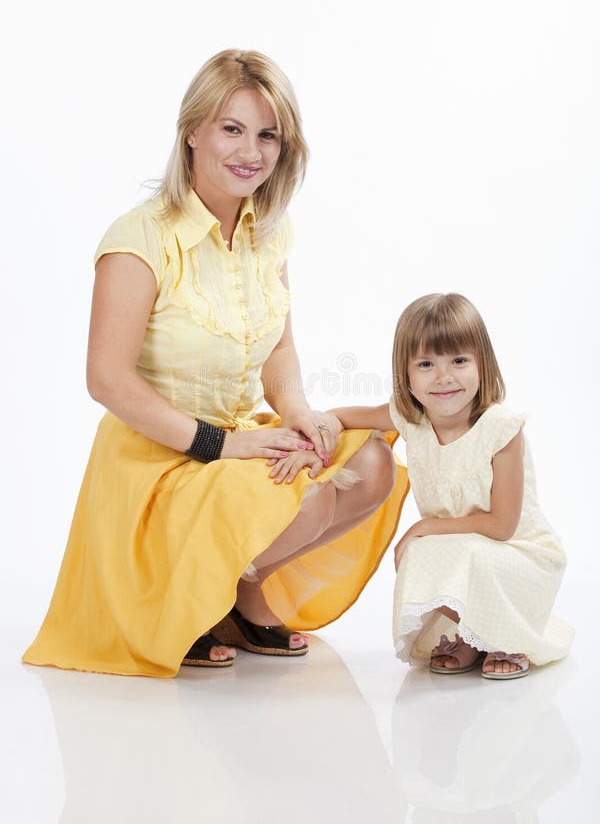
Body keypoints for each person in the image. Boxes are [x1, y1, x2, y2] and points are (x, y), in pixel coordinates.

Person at [22, 50, 409, 677]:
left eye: (268, 134)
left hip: (238, 440)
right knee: (299, 500)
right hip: (157, 457)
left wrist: (300, 412)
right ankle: (189, 603)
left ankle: (239, 594)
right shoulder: (138, 238)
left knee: (370, 465)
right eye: (231, 128)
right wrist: (220, 444)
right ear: (193, 132)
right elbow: (106, 379)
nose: (250, 151)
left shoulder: (270, 231)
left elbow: (277, 344)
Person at [326, 293, 573, 679]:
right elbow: (340, 416)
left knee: (451, 549)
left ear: (482, 363)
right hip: (466, 552)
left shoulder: (500, 430)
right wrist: (315, 437)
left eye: (459, 361)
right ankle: (475, 637)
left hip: (519, 558)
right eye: (426, 364)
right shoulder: (414, 420)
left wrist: (424, 526)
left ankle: (504, 637)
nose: (444, 377)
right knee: (420, 555)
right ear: (405, 374)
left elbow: (502, 526)